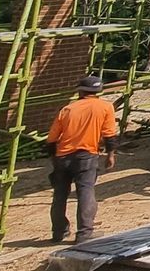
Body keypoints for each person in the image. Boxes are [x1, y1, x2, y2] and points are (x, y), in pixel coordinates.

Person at [46, 73, 119, 244]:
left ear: (80, 91)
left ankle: (58, 232)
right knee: (86, 192)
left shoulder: (68, 109)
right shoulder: (105, 107)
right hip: (86, 156)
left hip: (62, 156)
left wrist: (54, 158)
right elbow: (110, 134)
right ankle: (84, 233)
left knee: (59, 195)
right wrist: (110, 155)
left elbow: (51, 138)